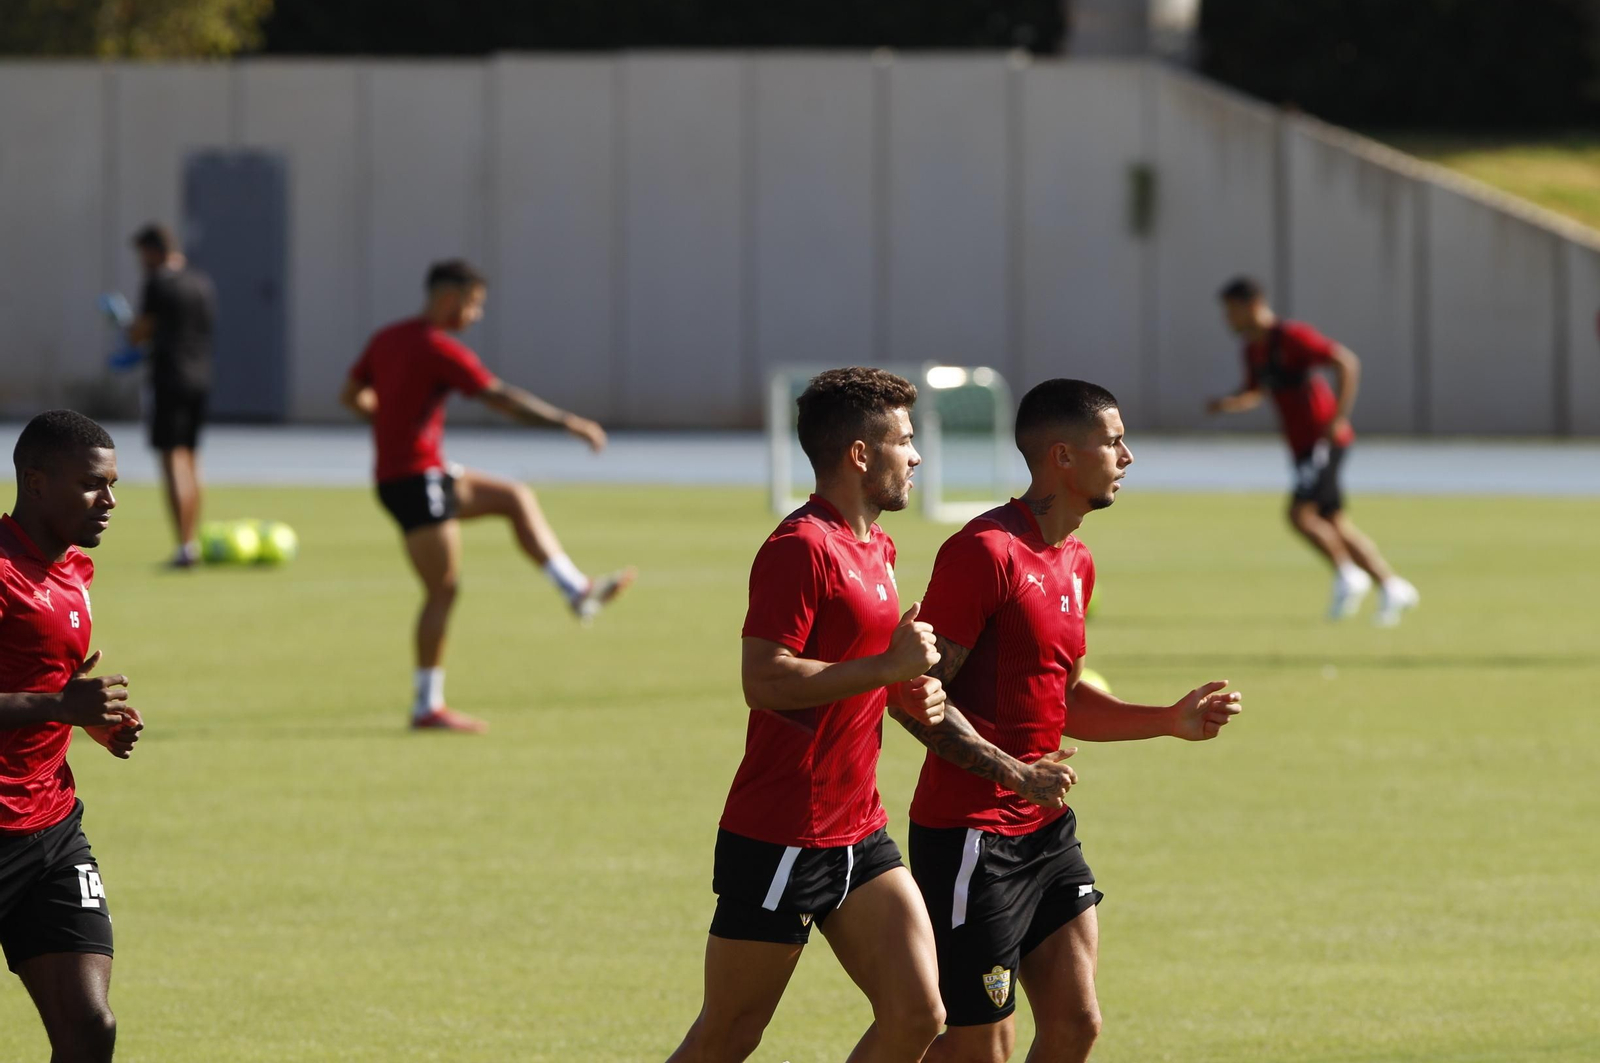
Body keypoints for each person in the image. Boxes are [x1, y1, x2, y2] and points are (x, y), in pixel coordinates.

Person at [889, 379, 1242, 1063]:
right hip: (971, 839)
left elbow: (1066, 700)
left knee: (1077, 1022)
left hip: (1045, 833)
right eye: (1112, 441)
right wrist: (1015, 772)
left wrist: (1168, 719)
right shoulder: (984, 552)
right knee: (976, 1047)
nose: (1128, 456)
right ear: (1063, 457)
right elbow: (916, 699)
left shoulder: (1078, 562)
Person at [665, 367, 948, 1063]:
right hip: (784, 830)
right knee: (730, 1033)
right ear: (860, 454)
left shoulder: (877, 546)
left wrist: (908, 687)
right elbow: (764, 678)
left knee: (917, 1013)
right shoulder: (801, 548)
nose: (916, 456)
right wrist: (886, 668)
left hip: (860, 829)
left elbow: (857, 668)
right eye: (904, 441)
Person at [341, 259, 633, 733]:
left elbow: (351, 395)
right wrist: (571, 424)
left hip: (418, 475)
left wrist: (389, 419)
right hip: (415, 483)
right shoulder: (439, 349)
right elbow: (502, 398)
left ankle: (576, 590)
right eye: (474, 304)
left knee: (513, 496)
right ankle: (426, 706)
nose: (475, 316)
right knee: (443, 589)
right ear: (450, 298)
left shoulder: (387, 338)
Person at [0, 409, 143, 1063]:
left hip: (51, 832)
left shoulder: (73, 572)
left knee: (91, 1027)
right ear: (36, 481)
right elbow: (48, 693)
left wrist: (90, 720)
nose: (109, 501)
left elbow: (44, 686)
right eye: (93, 485)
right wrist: (61, 701)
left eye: (112, 484)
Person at [1206, 277, 1419, 625]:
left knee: (1299, 515)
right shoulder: (1252, 350)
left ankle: (1348, 575)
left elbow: (1346, 363)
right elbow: (1256, 391)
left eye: (1232, 311)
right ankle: (1392, 586)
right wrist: (1227, 404)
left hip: (1322, 440)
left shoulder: (1292, 337)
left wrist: (1337, 419)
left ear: (1253, 305)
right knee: (1334, 521)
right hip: (1302, 445)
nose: (1228, 320)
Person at [127, 224, 216, 569]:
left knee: (172, 460)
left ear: (153, 250)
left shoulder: (158, 283)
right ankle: (193, 539)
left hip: (169, 379)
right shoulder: (201, 283)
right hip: (201, 377)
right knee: (192, 459)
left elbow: (140, 332)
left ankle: (185, 547)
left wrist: (129, 330)